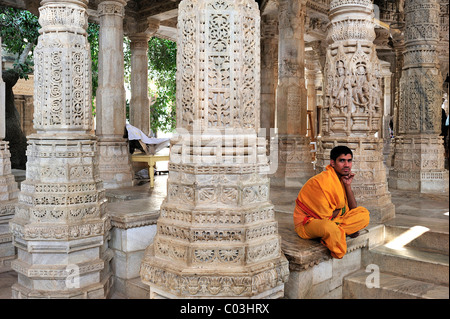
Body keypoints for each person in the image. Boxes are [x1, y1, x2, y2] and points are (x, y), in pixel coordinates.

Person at [293, 145, 370, 259]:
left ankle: (337, 234)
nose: (346, 165)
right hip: (309, 223)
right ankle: (341, 233)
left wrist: (347, 185)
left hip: (334, 220)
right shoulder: (321, 181)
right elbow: (324, 217)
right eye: (342, 161)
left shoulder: (340, 179)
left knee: (364, 215)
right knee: (328, 228)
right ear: (332, 163)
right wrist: (340, 211)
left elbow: (353, 209)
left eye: (349, 161)